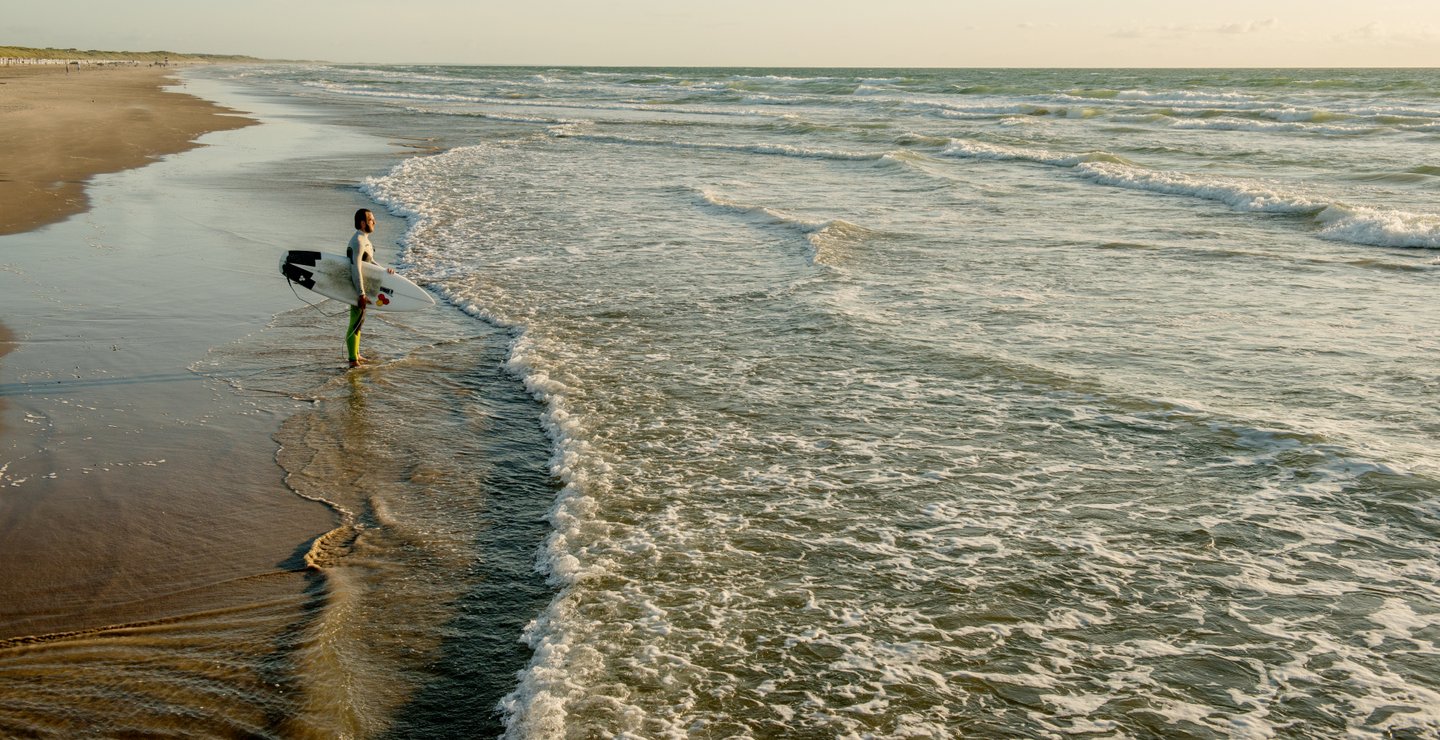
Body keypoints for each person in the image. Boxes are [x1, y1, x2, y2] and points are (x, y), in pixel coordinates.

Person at [345, 208, 393, 367]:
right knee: (355, 321)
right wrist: (361, 293)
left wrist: (385, 271)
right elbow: (356, 268)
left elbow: (369, 263)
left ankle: (356, 354)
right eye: (371, 219)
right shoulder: (358, 242)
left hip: (362, 288)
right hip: (357, 288)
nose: (375, 222)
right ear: (363, 223)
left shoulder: (364, 239)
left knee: (360, 321)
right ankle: (353, 360)